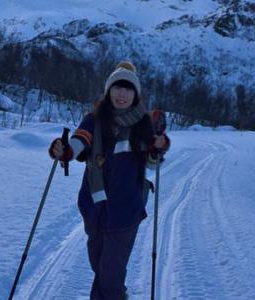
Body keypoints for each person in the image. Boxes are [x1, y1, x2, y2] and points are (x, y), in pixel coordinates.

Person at [49, 61, 170, 299]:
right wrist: (63, 150)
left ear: (135, 94)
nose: (122, 94)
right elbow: (80, 140)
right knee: (100, 266)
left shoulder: (142, 124)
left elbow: (151, 161)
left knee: (109, 274)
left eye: (128, 88)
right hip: (94, 207)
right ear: (108, 90)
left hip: (126, 210)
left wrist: (158, 147)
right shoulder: (94, 119)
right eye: (117, 87)